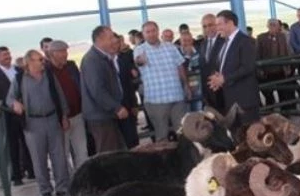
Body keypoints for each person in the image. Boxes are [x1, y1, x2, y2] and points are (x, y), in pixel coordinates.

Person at [7, 50, 70, 196]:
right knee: (38, 158)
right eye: (39, 59)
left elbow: (60, 95)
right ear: (29, 62)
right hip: (33, 123)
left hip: (52, 119)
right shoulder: (20, 78)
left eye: (42, 59)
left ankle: (62, 187)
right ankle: (45, 189)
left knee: (59, 156)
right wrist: (15, 104)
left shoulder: (49, 75)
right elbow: (9, 98)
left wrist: (64, 115)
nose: (43, 62)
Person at [0, 46, 34, 185]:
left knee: (28, 142)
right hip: (6, 115)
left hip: (23, 113)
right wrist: (10, 105)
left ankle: (31, 170)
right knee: (12, 146)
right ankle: (16, 175)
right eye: (4, 55)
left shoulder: (19, 70)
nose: (8, 57)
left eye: (8, 54)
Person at [134, 21, 191, 141]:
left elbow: (180, 66)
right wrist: (140, 61)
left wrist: (186, 85)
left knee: (184, 133)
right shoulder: (139, 50)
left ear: (158, 31)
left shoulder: (170, 47)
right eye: (147, 32)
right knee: (161, 136)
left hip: (177, 97)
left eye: (153, 31)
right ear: (143, 34)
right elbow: (138, 61)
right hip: (156, 101)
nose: (151, 34)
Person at [207, 10, 261, 128]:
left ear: (230, 23)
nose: (217, 28)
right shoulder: (224, 42)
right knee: (236, 134)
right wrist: (218, 78)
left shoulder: (245, 41)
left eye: (219, 24)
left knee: (250, 133)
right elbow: (225, 66)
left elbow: (248, 67)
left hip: (245, 101)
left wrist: (224, 79)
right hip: (230, 100)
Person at [80, 25, 127, 153]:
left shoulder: (102, 57)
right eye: (110, 38)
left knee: (117, 152)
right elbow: (97, 90)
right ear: (100, 40)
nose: (114, 40)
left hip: (107, 114)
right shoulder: (92, 60)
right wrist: (116, 107)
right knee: (108, 154)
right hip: (100, 116)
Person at [45, 40, 88, 168]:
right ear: (52, 54)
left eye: (65, 51)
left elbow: (80, 85)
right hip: (60, 119)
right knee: (63, 153)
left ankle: (83, 175)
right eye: (61, 52)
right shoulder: (46, 71)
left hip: (78, 114)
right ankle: (68, 177)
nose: (65, 54)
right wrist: (61, 116)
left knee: (82, 150)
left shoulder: (71, 65)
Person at [256, 18, 294, 113]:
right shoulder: (261, 37)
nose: (273, 27)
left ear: (278, 26)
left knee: (283, 92)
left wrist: (288, 66)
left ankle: (284, 112)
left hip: (281, 69)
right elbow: (257, 54)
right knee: (268, 93)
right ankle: (270, 112)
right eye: (271, 25)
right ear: (267, 26)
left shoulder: (282, 36)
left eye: (275, 25)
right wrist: (260, 69)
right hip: (267, 71)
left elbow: (286, 51)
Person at [197, 14, 224, 111]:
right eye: (204, 26)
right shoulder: (203, 44)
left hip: (223, 90)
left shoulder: (225, 41)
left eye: (210, 25)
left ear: (217, 25)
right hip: (208, 92)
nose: (207, 29)